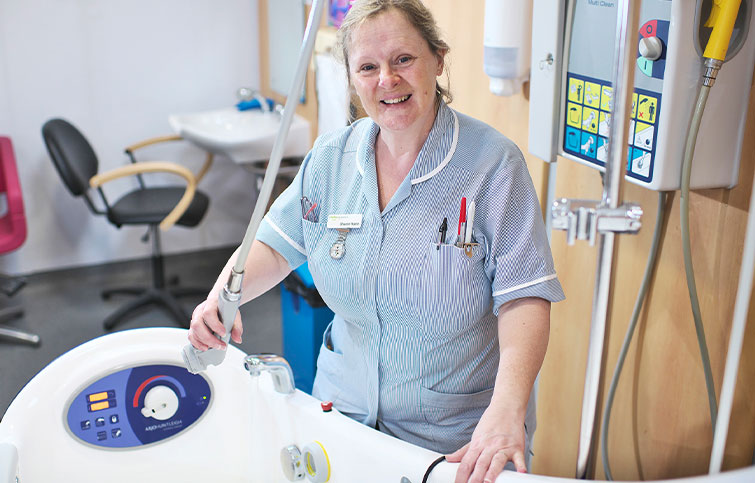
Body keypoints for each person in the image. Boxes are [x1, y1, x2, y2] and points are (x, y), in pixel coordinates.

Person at [188, 1, 564, 482]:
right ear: (352, 78)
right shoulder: (331, 159)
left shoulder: (493, 166)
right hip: (343, 418)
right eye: (368, 66)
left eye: (403, 59)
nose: (387, 79)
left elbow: (526, 296)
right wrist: (221, 301)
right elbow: (276, 243)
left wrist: (508, 409)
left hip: (454, 439)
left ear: (438, 60)